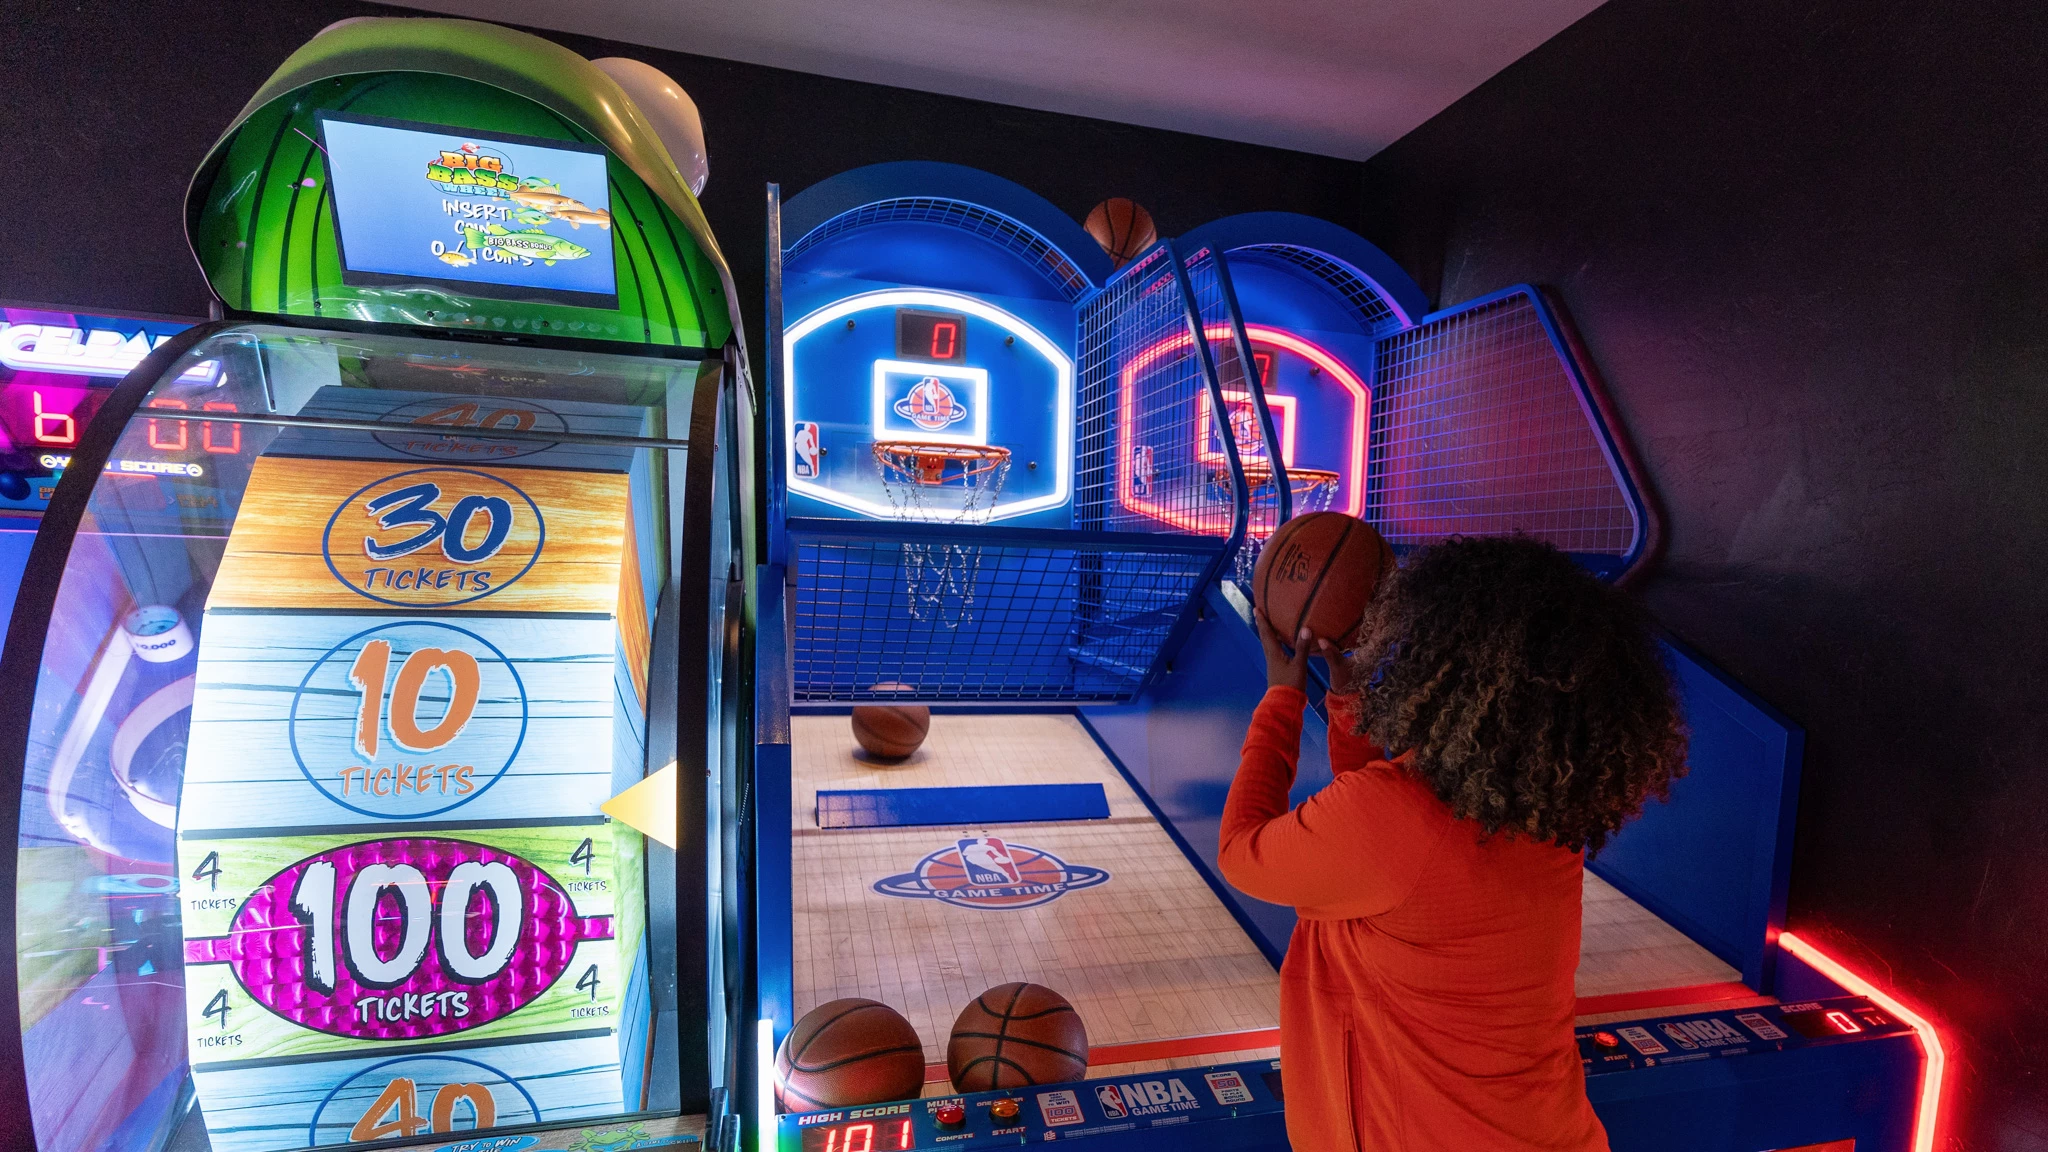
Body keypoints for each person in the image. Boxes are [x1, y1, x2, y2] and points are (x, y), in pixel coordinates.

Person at [1219, 534, 1689, 1151]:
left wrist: (1282, 696)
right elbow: (1391, 835)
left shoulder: (1396, 820)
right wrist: (1347, 700)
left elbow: (1243, 853)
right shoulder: (1540, 816)